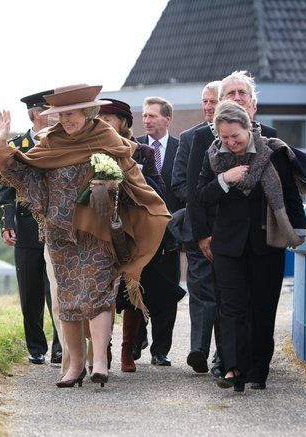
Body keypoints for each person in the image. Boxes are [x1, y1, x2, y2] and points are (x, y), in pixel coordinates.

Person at [0, 83, 169, 387]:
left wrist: (109, 185)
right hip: (59, 232)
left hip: (96, 231)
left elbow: (130, 176)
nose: (66, 120)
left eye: (71, 114)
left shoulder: (106, 137)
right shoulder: (49, 141)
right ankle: (75, 367)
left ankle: (100, 362)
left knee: (97, 296)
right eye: (60, 115)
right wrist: (1, 146)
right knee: (68, 302)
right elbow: (23, 173)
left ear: (87, 112)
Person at [194, 101, 306, 392]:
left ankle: (257, 370)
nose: (231, 143)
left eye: (236, 136)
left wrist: (298, 229)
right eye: (225, 137)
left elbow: (290, 193)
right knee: (231, 308)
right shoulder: (214, 157)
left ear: (248, 127)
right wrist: (223, 179)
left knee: (262, 308)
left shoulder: (274, 152)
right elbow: (200, 197)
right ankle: (233, 369)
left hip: (266, 244)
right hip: (228, 246)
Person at [185, 70, 277, 376]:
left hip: (258, 235)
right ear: (220, 101)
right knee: (226, 300)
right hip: (217, 235)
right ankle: (225, 360)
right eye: (230, 94)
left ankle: (251, 361)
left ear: (253, 103)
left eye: (243, 94)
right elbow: (193, 193)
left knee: (254, 300)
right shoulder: (200, 138)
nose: (237, 98)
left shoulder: (272, 139)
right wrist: (201, 236)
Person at [98, 98, 178, 373]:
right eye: (100, 118)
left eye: (109, 119)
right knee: (102, 293)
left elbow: (161, 192)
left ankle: (127, 350)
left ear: (122, 123)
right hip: (99, 230)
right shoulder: (92, 150)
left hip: (133, 232)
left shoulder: (141, 151)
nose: (104, 123)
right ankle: (102, 349)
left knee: (131, 290)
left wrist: (131, 179)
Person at [0, 90, 62, 365]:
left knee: (58, 291)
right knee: (30, 292)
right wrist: (6, 224)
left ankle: (61, 346)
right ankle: (36, 347)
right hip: (25, 229)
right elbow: (6, 188)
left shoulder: (61, 143)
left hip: (56, 228)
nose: (57, 116)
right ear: (38, 113)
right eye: (52, 111)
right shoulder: (16, 145)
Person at [170, 81, 224, 374]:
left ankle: (222, 354)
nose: (207, 106)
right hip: (197, 228)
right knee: (201, 290)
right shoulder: (190, 138)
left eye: (213, 101)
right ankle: (199, 350)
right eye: (204, 101)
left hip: (229, 228)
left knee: (225, 292)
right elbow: (179, 182)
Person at [135, 97, 185, 367]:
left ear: (167, 119)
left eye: (153, 115)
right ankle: (137, 339)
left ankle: (161, 349)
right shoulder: (134, 147)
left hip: (170, 234)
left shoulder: (180, 148)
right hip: (140, 233)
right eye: (145, 116)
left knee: (166, 293)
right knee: (137, 288)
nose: (147, 120)